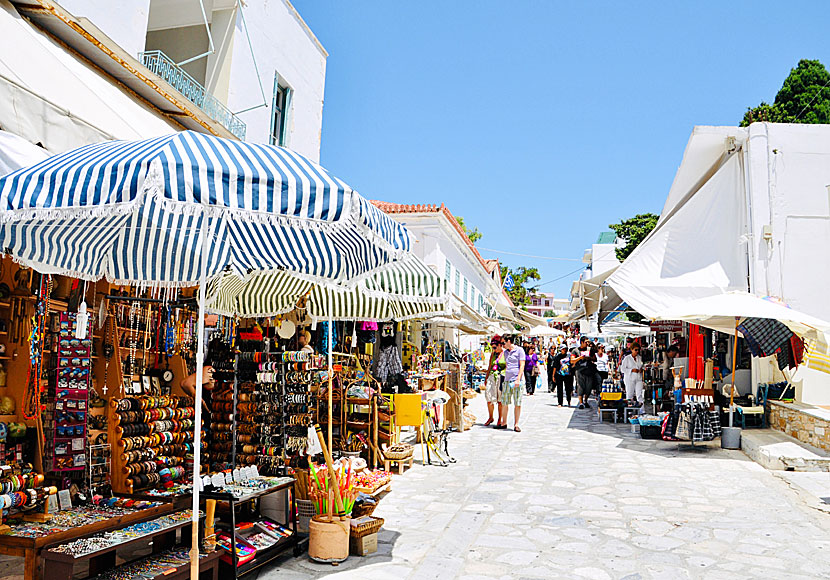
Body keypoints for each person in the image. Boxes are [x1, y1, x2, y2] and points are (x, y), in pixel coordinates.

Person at [498, 334, 525, 432]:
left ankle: (516, 424)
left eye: (503, 343)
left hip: (516, 380)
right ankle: (504, 422)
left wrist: (518, 379)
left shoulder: (519, 350)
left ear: (509, 341)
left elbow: (522, 365)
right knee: (505, 402)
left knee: (517, 403)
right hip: (507, 380)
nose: (502, 345)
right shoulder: (505, 353)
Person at [483, 335, 506, 426]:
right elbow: (490, 366)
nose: (494, 349)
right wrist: (486, 378)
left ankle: (499, 419)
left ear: (500, 345)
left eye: (495, 347)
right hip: (492, 377)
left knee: (500, 400)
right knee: (489, 398)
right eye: (492, 347)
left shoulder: (505, 354)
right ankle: (490, 417)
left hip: (501, 377)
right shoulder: (493, 354)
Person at [570, 336, 596, 409]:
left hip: (589, 370)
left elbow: (595, 358)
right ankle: (581, 403)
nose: (587, 343)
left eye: (588, 342)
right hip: (579, 370)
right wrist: (580, 358)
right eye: (586, 342)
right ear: (581, 342)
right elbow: (572, 360)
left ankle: (585, 401)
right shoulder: (575, 350)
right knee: (580, 386)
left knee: (589, 386)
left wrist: (589, 358)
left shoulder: (590, 350)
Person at [620, 342, 645, 407]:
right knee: (630, 394)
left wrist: (641, 369)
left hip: (638, 378)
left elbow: (641, 366)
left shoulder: (639, 358)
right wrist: (631, 370)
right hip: (629, 379)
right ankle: (629, 411)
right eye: (635, 350)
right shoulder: (627, 358)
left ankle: (641, 410)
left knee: (639, 394)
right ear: (631, 349)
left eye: (638, 350)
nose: (637, 351)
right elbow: (622, 369)